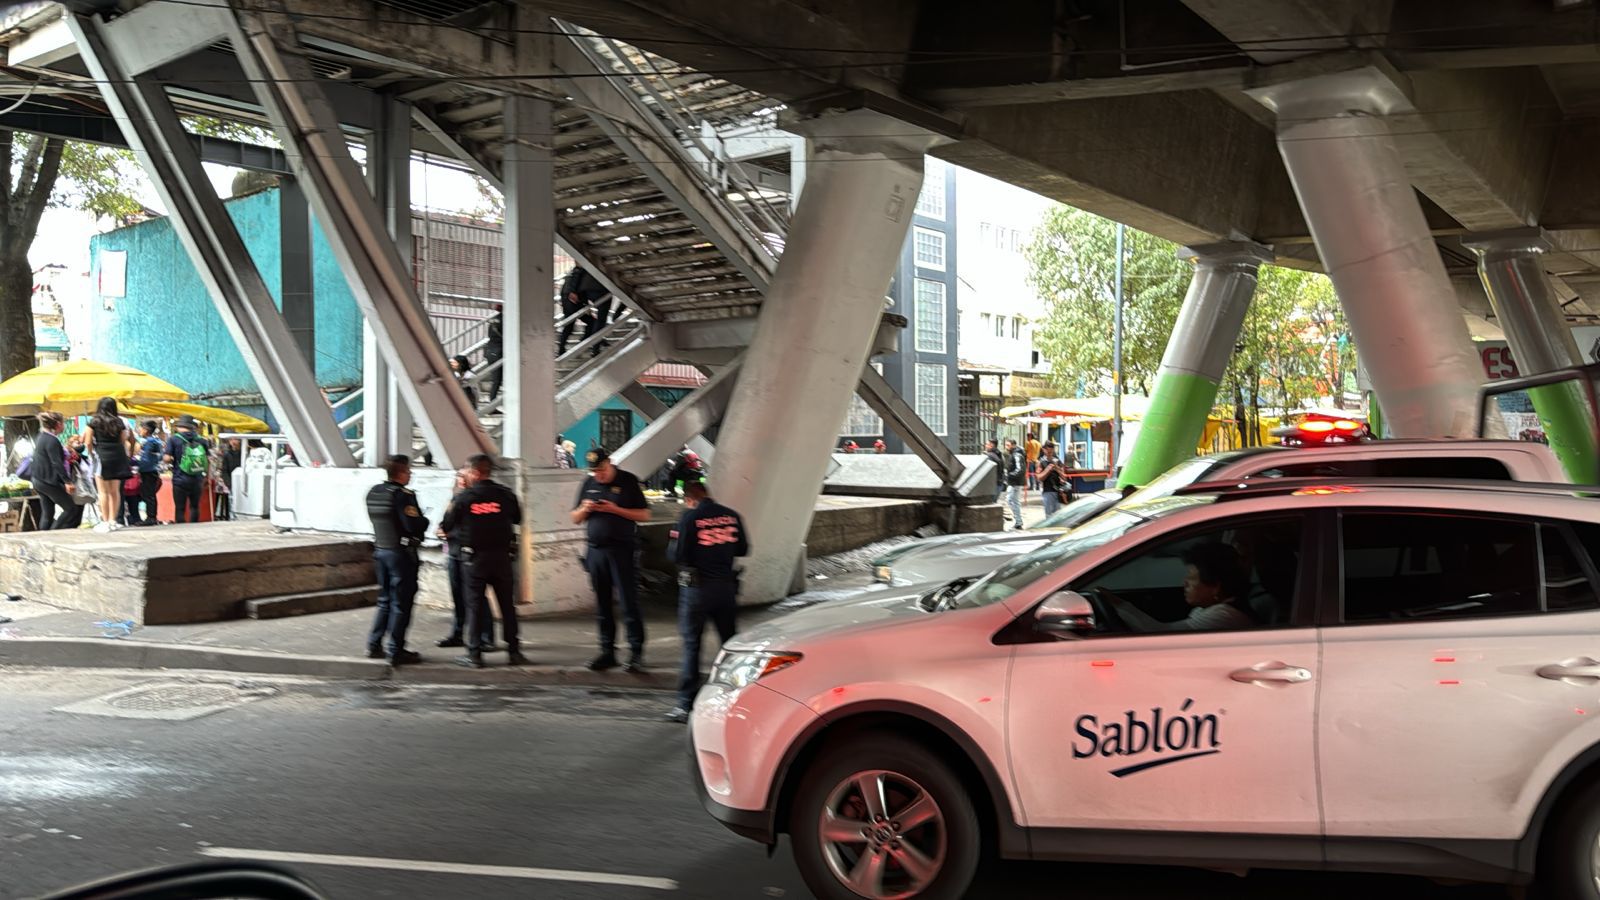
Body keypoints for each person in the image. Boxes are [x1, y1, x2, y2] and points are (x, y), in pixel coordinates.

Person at [666, 481, 749, 723]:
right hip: (725, 588)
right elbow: (743, 548)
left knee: (692, 645)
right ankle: (739, 696)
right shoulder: (732, 516)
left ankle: (685, 704)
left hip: (697, 591)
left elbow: (677, 555)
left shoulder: (689, 518)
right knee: (730, 644)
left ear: (690, 499)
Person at [571, 447, 650, 672]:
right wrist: (585, 509)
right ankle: (607, 651)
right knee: (602, 604)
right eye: (595, 472)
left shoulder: (628, 482)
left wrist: (616, 509)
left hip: (622, 550)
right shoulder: (588, 484)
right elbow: (574, 517)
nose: (599, 476)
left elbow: (644, 514)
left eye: (602, 470)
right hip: (596, 552)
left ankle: (636, 653)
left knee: (628, 602)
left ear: (611, 463)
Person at [446, 454, 526, 668]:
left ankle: (475, 654)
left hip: (474, 559)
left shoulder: (464, 498)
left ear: (476, 473)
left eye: (467, 471)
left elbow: (447, 524)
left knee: (474, 605)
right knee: (507, 606)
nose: (465, 475)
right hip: (502, 558)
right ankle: (514, 651)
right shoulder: (506, 495)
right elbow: (518, 519)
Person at [365, 454, 429, 665]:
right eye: (408, 471)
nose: (410, 474)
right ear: (401, 473)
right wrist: (424, 520)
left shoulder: (374, 492)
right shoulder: (403, 495)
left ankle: (374, 645)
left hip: (380, 550)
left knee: (384, 600)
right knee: (402, 602)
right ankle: (396, 649)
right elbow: (413, 525)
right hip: (400, 554)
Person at [1105, 542, 1256, 633]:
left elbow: (1159, 633)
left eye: (1191, 579)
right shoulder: (1207, 609)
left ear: (1215, 587)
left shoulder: (1224, 615)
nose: (1185, 583)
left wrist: (1117, 604)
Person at [435, 467, 492, 653]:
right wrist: (441, 531)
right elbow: (447, 523)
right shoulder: (456, 498)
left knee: (477, 597)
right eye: (458, 475)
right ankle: (458, 633)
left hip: (471, 554)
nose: (460, 478)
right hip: (454, 552)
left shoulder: (477, 498)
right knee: (458, 595)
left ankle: (486, 637)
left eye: (463, 475)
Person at [87, 397, 134, 533]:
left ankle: (105, 521)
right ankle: (113, 520)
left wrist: (91, 453)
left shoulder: (94, 422)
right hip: (118, 455)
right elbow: (123, 439)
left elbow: (88, 442)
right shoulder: (119, 422)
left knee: (103, 491)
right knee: (115, 491)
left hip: (101, 455)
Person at [31, 412, 75, 531]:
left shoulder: (41, 437)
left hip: (38, 479)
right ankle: (53, 532)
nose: (64, 426)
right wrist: (67, 481)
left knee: (48, 512)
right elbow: (56, 463)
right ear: (58, 424)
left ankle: (42, 536)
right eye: (63, 423)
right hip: (48, 481)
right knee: (70, 508)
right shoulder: (52, 440)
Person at [163, 415, 210, 524]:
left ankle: (181, 529)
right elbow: (207, 460)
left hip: (180, 479)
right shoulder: (202, 440)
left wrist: (170, 459)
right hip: (197, 478)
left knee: (180, 508)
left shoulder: (174, 439)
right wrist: (206, 477)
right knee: (194, 506)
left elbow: (167, 458)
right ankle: (194, 528)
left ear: (180, 427)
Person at [133, 420, 162, 525]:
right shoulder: (156, 441)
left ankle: (151, 517)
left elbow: (145, 458)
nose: (139, 431)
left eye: (141, 428)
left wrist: (135, 462)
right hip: (153, 471)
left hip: (148, 471)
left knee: (148, 495)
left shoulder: (149, 442)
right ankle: (151, 517)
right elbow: (159, 457)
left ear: (146, 430)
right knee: (150, 495)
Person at [1003, 437, 1026, 530]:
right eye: (1006, 445)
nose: (1006, 447)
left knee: (1011, 500)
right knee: (1013, 501)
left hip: (1015, 482)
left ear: (1013, 445)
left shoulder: (1017, 455)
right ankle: (1018, 521)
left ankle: (1018, 521)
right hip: (1015, 482)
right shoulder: (1015, 454)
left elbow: (1020, 469)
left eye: (1008, 445)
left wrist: (1009, 475)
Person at [218, 437, 242, 520]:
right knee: (232, 503)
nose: (233, 442)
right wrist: (229, 483)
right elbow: (224, 471)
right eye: (231, 440)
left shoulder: (244, 453)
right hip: (232, 483)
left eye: (235, 439)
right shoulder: (227, 455)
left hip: (243, 482)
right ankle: (232, 518)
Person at [1038, 442, 1064, 518]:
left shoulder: (1057, 461)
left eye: (1051, 452)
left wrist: (1057, 468)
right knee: (1049, 517)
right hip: (1047, 491)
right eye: (1048, 452)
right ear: (1044, 450)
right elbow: (1039, 477)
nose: (1050, 454)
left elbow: (1064, 477)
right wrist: (1048, 469)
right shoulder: (1041, 462)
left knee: (1058, 517)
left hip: (1058, 492)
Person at [482, 313, 503, 402]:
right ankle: (492, 404)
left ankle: (492, 404)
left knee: (495, 379)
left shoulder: (494, 320)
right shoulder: (506, 320)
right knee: (497, 380)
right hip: (498, 351)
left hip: (490, 351)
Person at [984, 439, 1004, 506]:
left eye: (987, 444)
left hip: (993, 484)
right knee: (993, 503)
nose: (985, 446)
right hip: (999, 482)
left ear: (991, 445)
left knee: (990, 504)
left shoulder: (989, 456)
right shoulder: (999, 454)